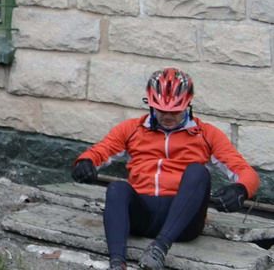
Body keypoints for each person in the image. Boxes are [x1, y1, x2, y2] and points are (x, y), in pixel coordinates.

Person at [72, 68, 259, 270]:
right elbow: (101, 150)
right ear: (150, 104)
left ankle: (159, 249)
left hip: (184, 223)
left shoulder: (206, 134)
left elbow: (246, 172)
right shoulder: (131, 129)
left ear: (188, 103)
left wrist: (241, 189)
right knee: (117, 189)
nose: (168, 116)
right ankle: (117, 263)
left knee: (198, 172)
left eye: (175, 111)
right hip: (143, 215)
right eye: (161, 110)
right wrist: (85, 162)